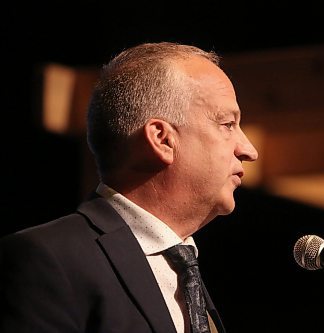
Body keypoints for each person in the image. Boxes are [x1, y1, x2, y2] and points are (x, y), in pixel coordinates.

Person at [0, 42, 258, 333]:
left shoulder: (185, 270)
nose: (249, 150)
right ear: (162, 139)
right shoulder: (47, 259)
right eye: (227, 124)